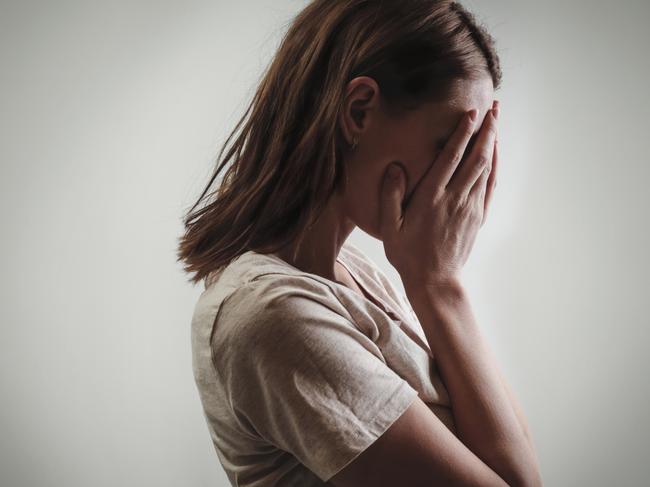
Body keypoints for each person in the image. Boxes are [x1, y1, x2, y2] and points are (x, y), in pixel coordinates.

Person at [178, 0, 543, 485]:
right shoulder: (273, 315)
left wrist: (437, 284)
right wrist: (439, 285)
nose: (460, 177)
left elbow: (514, 457)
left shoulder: (354, 274)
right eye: (448, 145)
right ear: (359, 111)